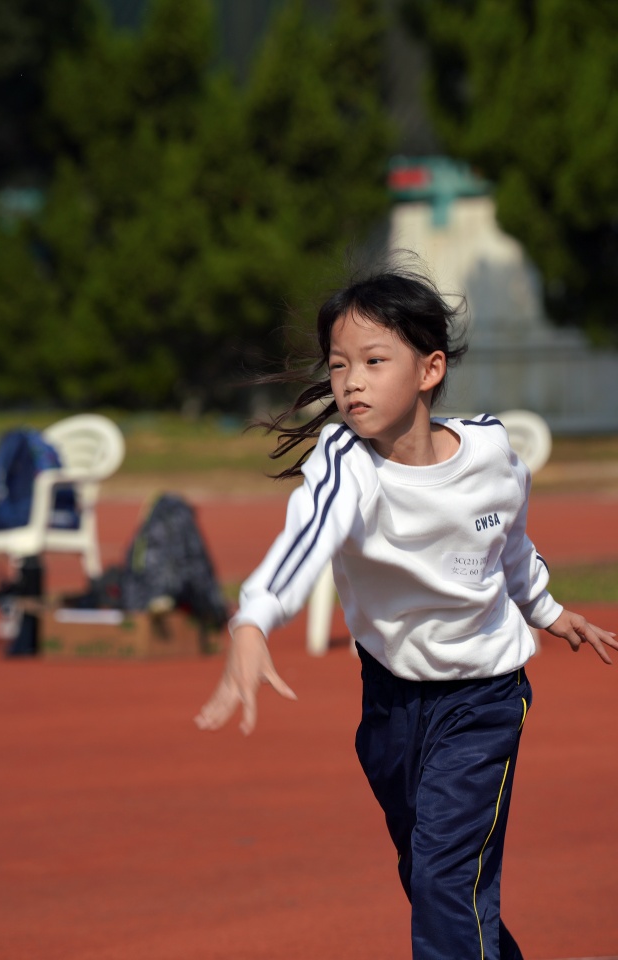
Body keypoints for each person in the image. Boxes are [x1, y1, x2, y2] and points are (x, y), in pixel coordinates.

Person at [195, 265, 616, 960]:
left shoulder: (490, 450)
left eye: (373, 361)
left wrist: (543, 606)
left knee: (446, 882)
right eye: (338, 365)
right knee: (433, 879)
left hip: (483, 701)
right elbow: (307, 536)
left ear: (430, 369)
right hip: (391, 704)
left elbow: (507, 537)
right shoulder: (345, 461)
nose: (350, 382)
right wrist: (254, 618)